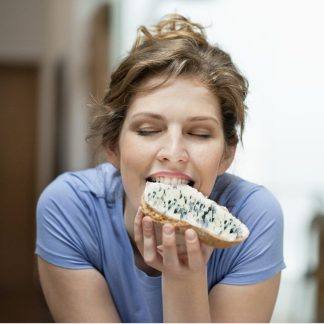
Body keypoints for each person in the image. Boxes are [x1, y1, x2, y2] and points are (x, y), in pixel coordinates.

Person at [35, 14, 286, 323]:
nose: (173, 153)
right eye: (148, 130)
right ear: (113, 146)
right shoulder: (69, 208)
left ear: (226, 155)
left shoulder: (255, 216)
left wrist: (183, 277)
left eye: (199, 134)